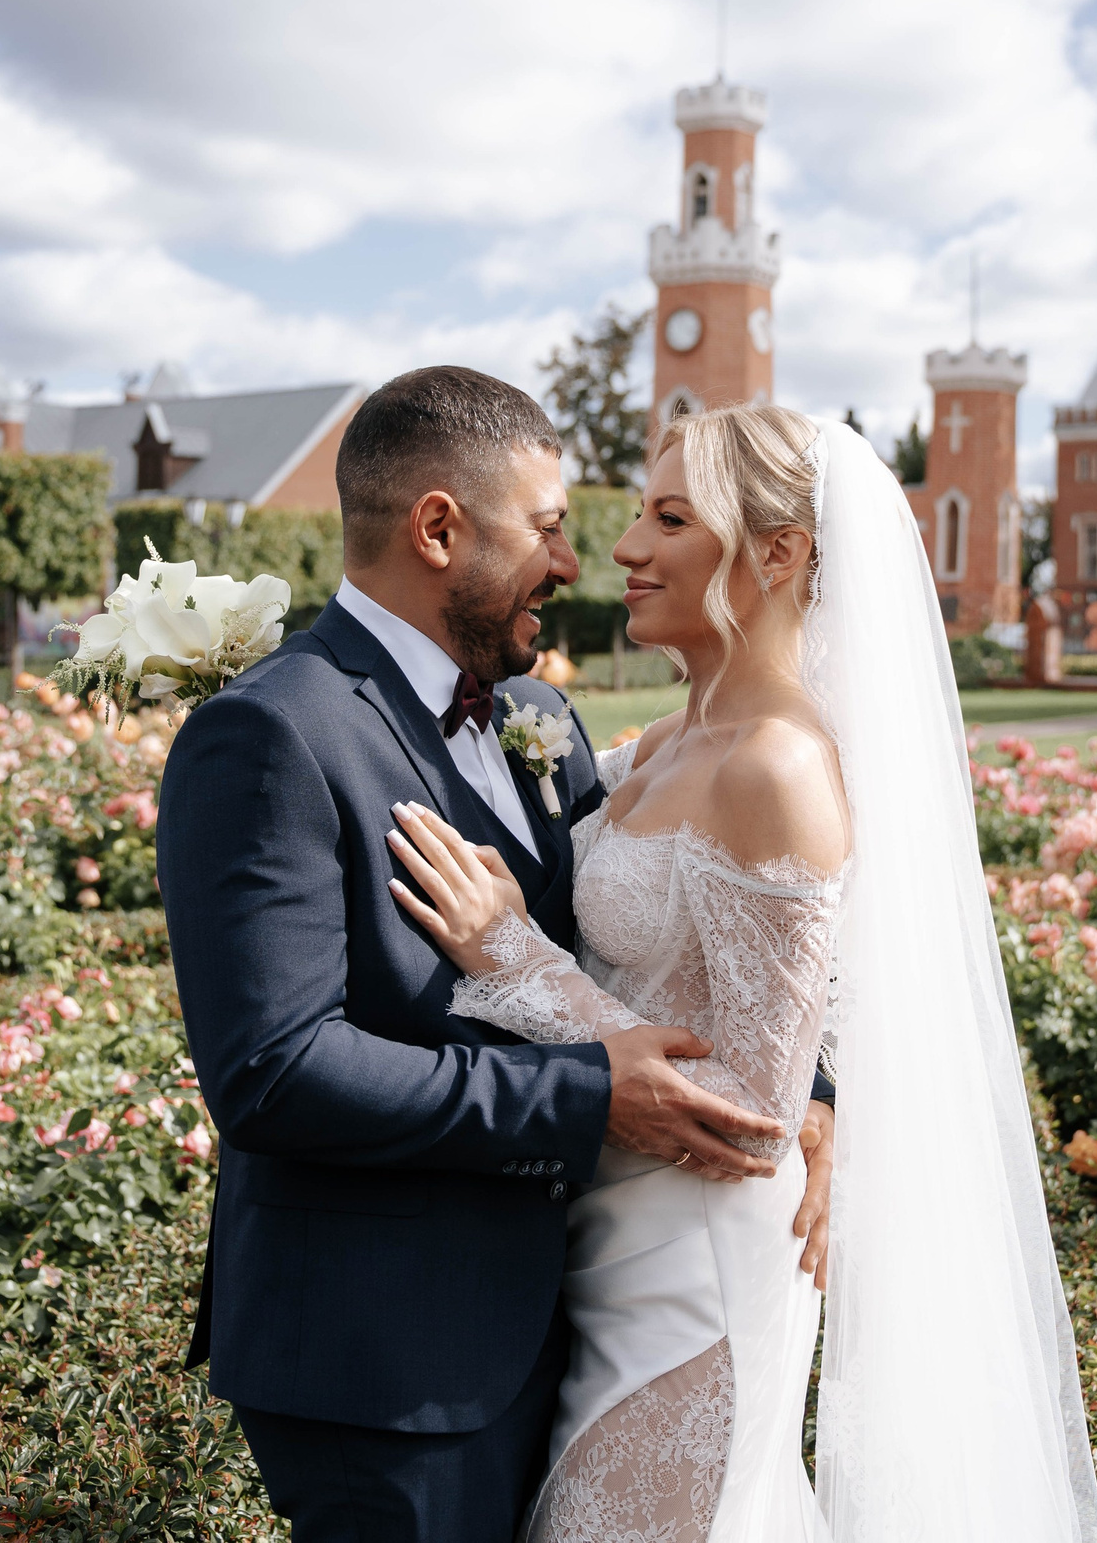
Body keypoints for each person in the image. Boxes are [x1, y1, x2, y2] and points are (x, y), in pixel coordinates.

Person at [387, 403, 1097, 1540]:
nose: (623, 547)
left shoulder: (776, 764)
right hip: (605, 1231)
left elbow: (754, 1118)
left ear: (777, 553)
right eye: (635, 512)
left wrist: (510, 952)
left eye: (670, 517)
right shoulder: (667, 743)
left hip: (699, 1266)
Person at [156, 367, 836, 1543]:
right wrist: (591, 1091)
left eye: (652, 518)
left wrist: (809, 1098)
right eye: (551, 528)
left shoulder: (548, 725)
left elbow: (673, 940)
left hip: (584, 1299)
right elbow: (272, 1069)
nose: (582, 560)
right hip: (391, 1359)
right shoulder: (271, 731)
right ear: (438, 527)